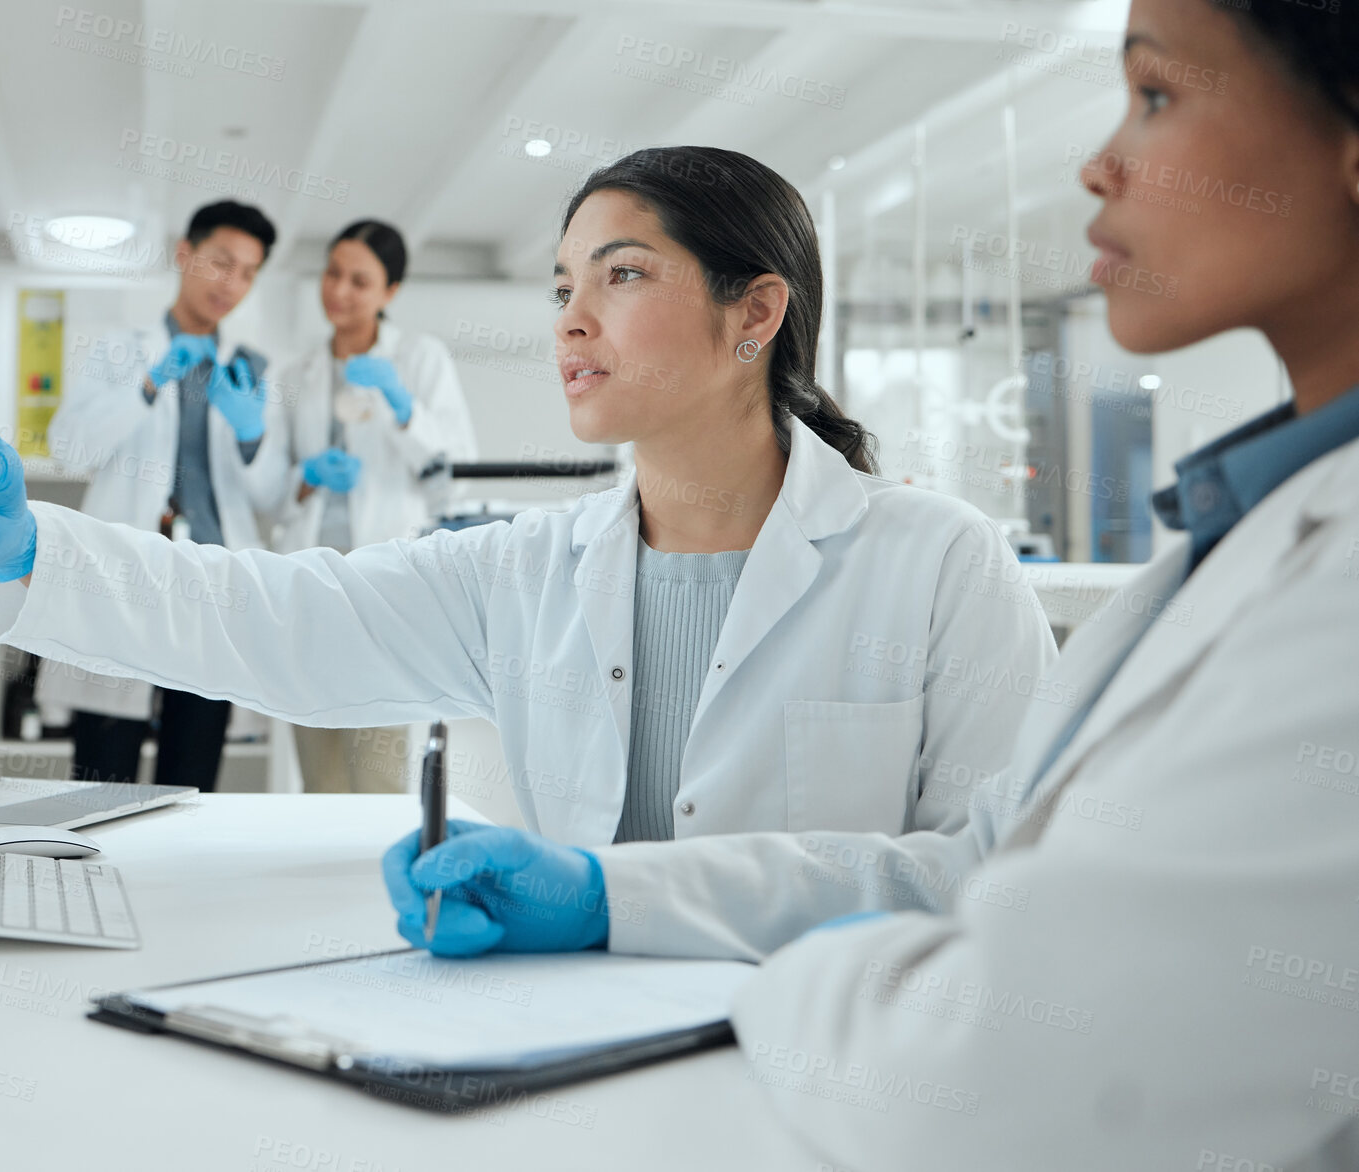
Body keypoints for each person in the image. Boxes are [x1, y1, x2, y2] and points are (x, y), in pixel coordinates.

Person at [383, 2, 1359, 1167]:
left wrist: (796, 977)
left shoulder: (958, 555)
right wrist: (604, 894)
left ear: (757, 314)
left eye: (1155, 95)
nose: (1098, 161)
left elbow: (1008, 1080)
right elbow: (972, 864)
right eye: (558, 289)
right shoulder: (1247, 533)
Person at [0, 148, 1058, 855]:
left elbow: (995, 879)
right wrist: (32, 545)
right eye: (564, 284)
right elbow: (272, 615)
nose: (567, 318)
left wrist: (617, 900)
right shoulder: (522, 573)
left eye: (623, 273)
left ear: (754, 312)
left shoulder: (941, 570)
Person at [34, 199, 283, 792]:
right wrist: (149, 383)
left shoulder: (251, 367)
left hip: (212, 588)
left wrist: (252, 434)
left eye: (248, 272)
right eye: (221, 262)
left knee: (192, 778)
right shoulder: (121, 350)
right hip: (130, 578)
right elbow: (71, 448)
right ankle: (92, 882)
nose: (233, 283)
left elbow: (269, 493)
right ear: (184, 254)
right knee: (102, 771)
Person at [265, 219, 477, 794]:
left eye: (360, 281)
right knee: (319, 770)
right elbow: (270, 490)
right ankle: (325, 885)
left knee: (377, 772)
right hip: (309, 582)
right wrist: (306, 479)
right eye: (333, 274)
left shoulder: (419, 360)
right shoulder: (297, 371)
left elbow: (452, 473)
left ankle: (372, 884)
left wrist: (401, 407)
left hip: (384, 588)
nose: (339, 290)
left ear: (391, 292)